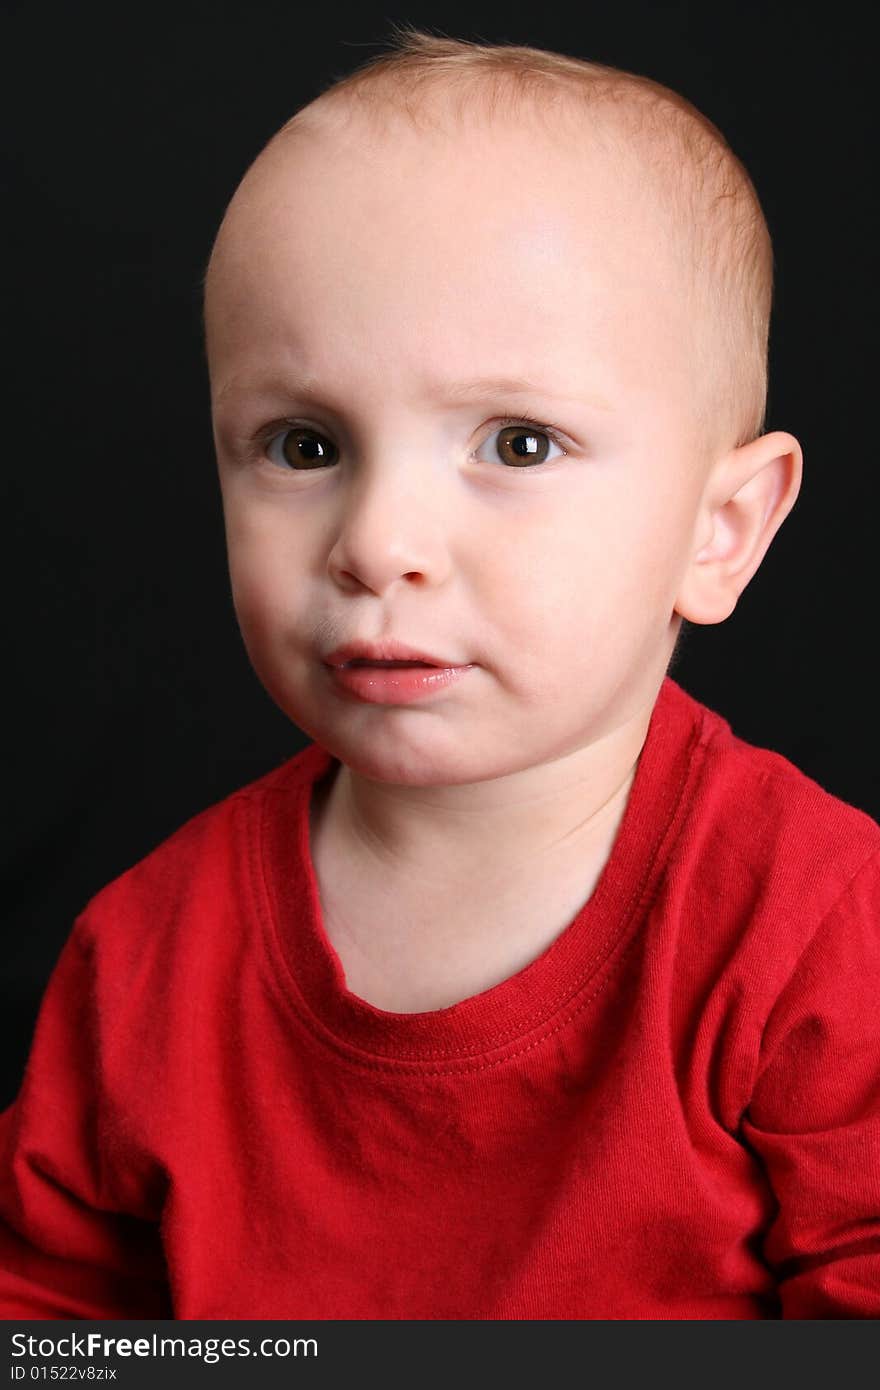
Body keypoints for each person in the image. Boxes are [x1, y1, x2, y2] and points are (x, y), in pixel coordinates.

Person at [1, 27, 877, 1321]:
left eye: (517, 442)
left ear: (720, 529)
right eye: (303, 444)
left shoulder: (814, 923)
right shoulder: (140, 957)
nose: (377, 543)